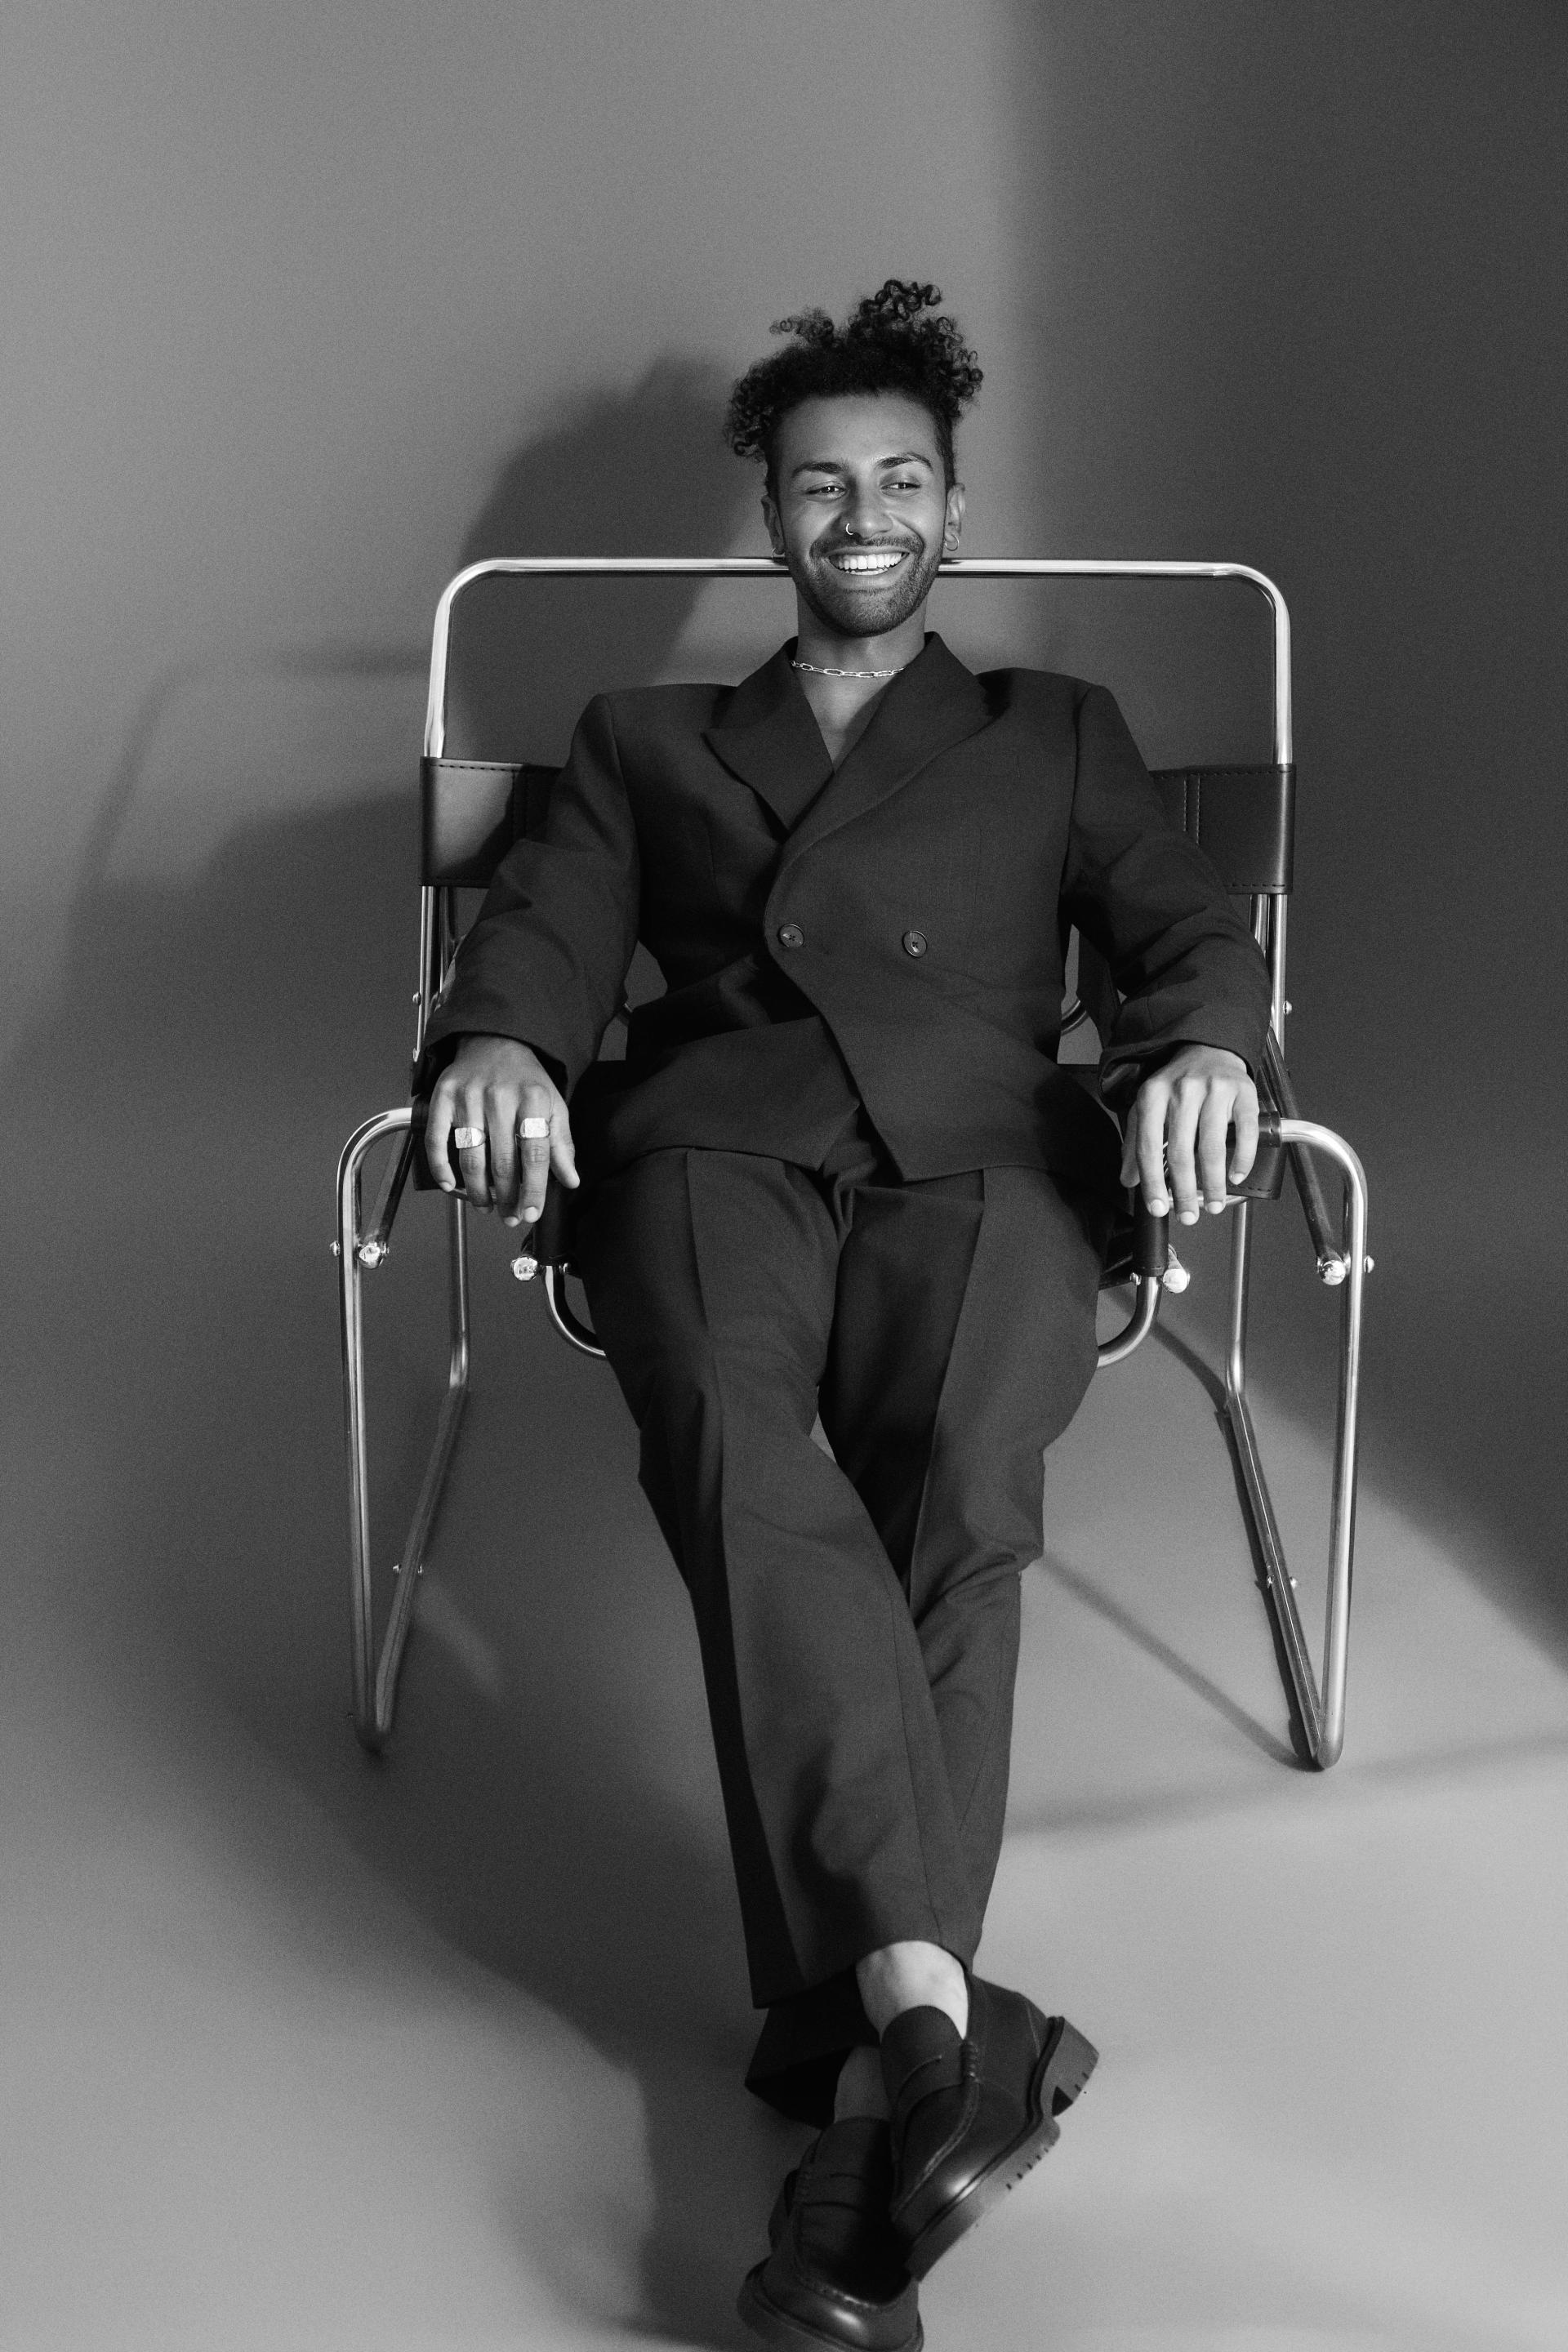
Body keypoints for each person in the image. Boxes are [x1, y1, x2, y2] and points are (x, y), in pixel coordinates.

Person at [421, 281, 1268, 2351]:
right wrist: (503, 1041)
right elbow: (548, 929)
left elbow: (1181, 930)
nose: (864, 515)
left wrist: (1203, 1050)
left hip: (987, 1158)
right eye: (822, 485)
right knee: (735, 1435)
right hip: (713, 1149)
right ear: (772, 518)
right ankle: (940, 2030)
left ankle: (878, 2092)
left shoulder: (1054, 728)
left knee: (962, 1485)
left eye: (902, 480)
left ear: (955, 512)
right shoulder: (644, 743)